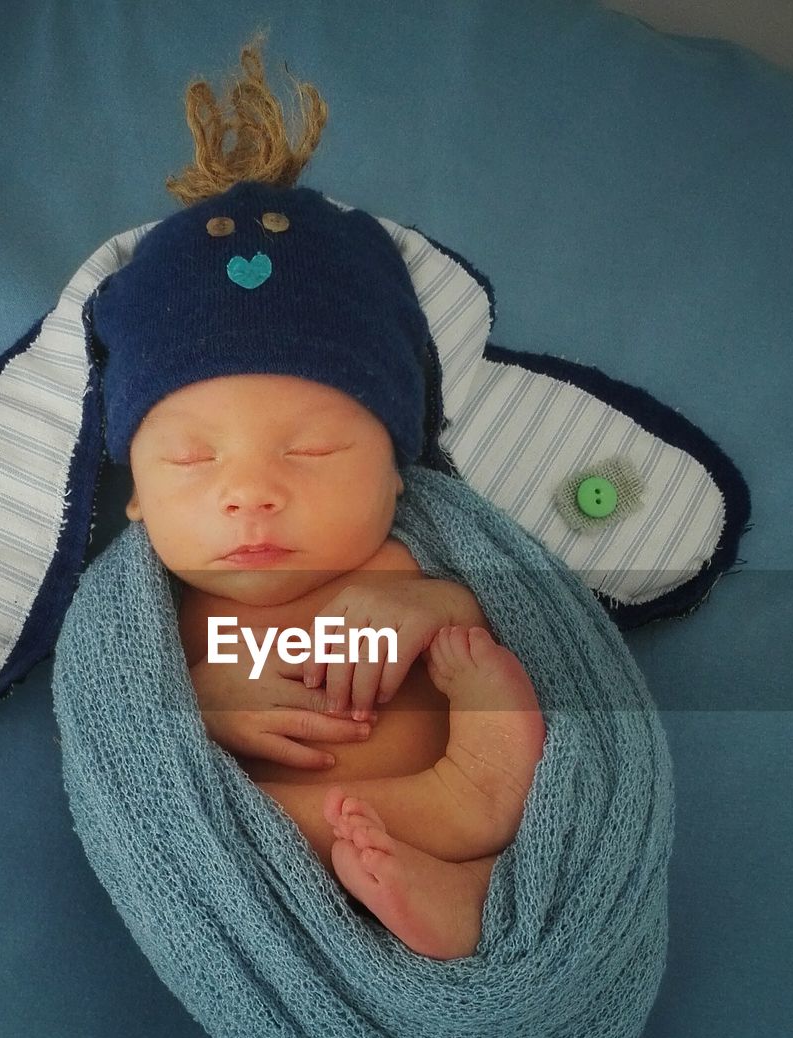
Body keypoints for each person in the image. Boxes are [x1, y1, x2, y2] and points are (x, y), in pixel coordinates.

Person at [89, 36, 546, 959]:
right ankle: (444, 871)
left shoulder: (393, 557)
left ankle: (477, 830)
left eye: (311, 449)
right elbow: (130, 732)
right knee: (230, 834)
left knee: (481, 673)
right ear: (134, 497)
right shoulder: (163, 614)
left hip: (453, 792)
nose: (251, 492)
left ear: (395, 470)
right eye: (189, 459)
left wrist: (425, 603)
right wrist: (207, 700)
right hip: (288, 844)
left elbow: (487, 621)